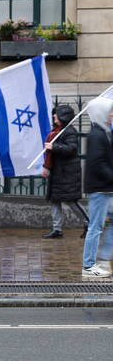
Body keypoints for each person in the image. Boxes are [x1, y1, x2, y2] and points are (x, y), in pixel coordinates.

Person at [81, 96, 113, 277]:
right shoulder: (96, 135)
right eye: (109, 110)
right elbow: (97, 164)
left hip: (106, 188)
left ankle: (102, 258)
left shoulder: (104, 132)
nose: (111, 114)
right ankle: (88, 266)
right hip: (100, 189)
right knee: (95, 227)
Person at [42, 104, 84, 239]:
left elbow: (71, 149)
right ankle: (57, 229)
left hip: (67, 173)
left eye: (57, 114)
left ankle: (88, 223)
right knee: (55, 200)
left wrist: (54, 146)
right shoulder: (57, 131)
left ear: (62, 116)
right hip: (58, 172)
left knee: (71, 200)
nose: (54, 116)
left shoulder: (69, 131)